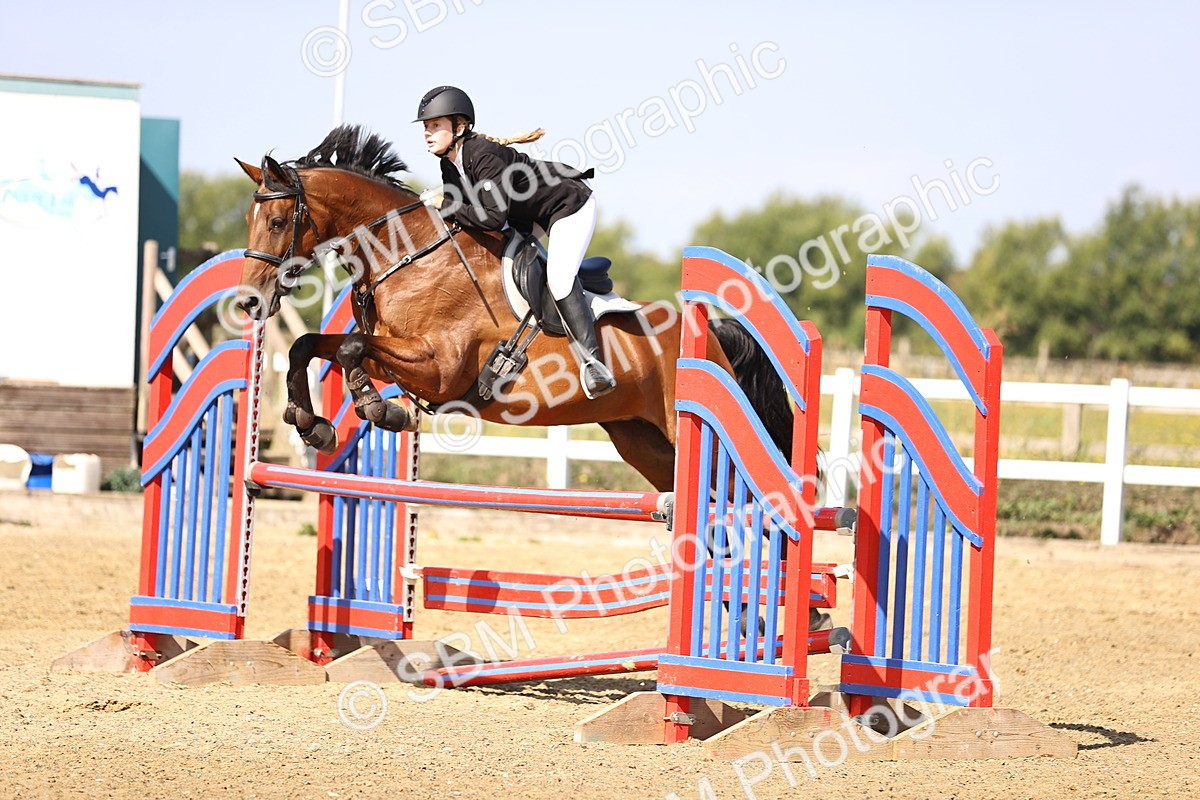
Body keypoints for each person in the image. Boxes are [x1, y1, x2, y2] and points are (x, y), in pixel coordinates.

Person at [415, 85, 616, 400]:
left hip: (567, 205)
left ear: (459, 127)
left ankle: (593, 364)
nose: (427, 133)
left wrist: (445, 204)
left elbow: (491, 218)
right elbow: (463, 218)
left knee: (559, 279)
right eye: (426, 127)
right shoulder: (449, 164)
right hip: (526, 214)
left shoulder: (482, 154)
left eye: (435, 125)